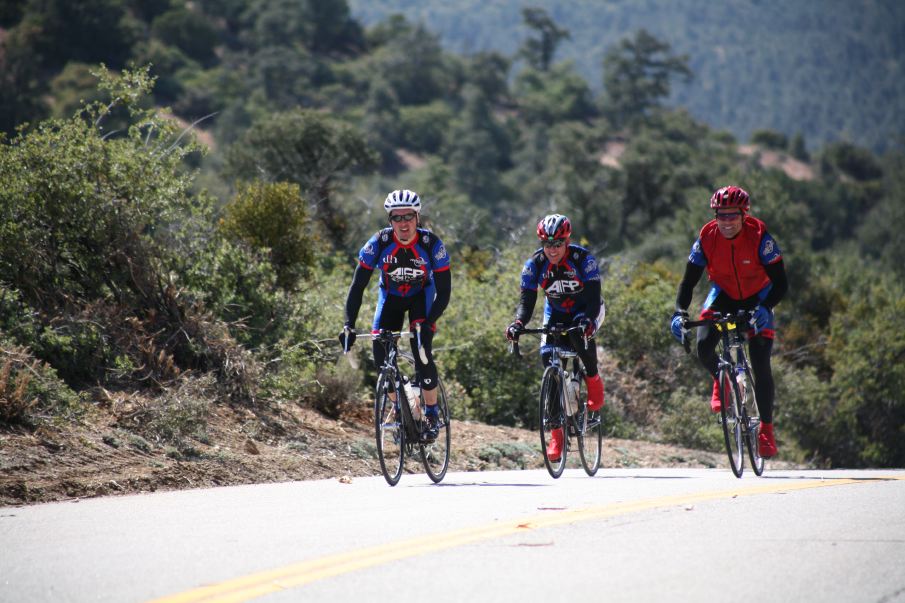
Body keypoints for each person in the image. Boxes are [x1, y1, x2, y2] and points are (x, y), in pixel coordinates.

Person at [669, 185, 788, 458]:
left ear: (744, 214)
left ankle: (766, 432)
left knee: (760, 363)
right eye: (720, 215)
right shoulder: (706, 237)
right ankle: (721, 379)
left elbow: (781, 283)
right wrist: (679, 312)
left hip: (759, 296)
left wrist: (766, 308)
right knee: (703, 346)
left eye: (732, 215)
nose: (725, 222)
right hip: (723, 293)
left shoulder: (760, 237)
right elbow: (688, 282)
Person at [339, 189, 451, 441]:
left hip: (421, 299)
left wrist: (428, 323)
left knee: (421, 351)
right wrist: (349, 325)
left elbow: (444, 292)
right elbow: (357, 286)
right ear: (390, 220)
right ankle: (401, 409)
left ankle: (432, 413)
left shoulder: (431, 244)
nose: (403, 223)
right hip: (390, 300)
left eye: (408, 216)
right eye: (397, 218)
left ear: (418, 217)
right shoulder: (378, 242)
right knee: (381, 359)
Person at [506, 214, 606, 462]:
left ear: (567, 241)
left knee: (578, 337)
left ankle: (593, 379)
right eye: (547, 244)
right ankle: (556, 435)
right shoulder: (535, 264)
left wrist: (588, 321)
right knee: (548, 359)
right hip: (556, 313)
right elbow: (526, 302)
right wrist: (518, 323)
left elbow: (594, 298)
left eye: (557, 244)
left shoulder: (583, 260)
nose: (552, 249)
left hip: (587, 310)